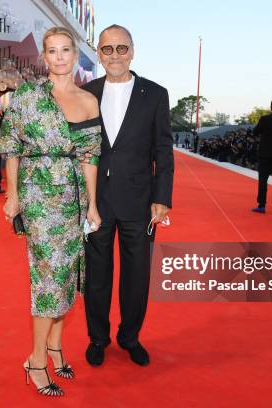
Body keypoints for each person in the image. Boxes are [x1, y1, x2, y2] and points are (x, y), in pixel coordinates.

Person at [0, 26, 102, 397]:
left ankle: (55, 348)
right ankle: (35, 360)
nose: (59, 57)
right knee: (48, 280)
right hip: (39, 195)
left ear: (75, 55)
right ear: (44, 58)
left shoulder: (89, 101)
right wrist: (12, 196)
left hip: (73, 197)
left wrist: (93, 204)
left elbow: (90, 156)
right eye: (52, 51)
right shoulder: (27, 96)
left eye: (65, 50)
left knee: (68, 275)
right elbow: (9, 145)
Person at [81, 24, 174, 367]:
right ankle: (98, 338)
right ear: (99, 53)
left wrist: (162, 197)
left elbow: (163, 150)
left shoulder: (156, 93)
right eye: (108, 49)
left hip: (140, 201)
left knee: (137, 276)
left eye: (122, 48)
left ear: (132, 51)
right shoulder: (86, 92)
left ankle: (130, 336)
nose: (115, 55)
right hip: (97, 202)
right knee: (97, 274)